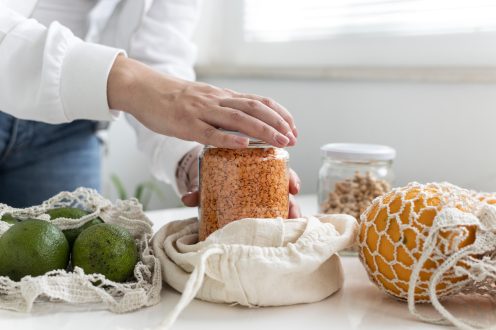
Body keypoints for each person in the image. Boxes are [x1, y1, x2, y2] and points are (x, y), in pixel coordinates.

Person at [0, 0, 301, 217]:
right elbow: (148, 85)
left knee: (60, 287)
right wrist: (130, 81)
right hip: (68, 89)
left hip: (68, 126)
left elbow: (157, 52)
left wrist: (192, 159)